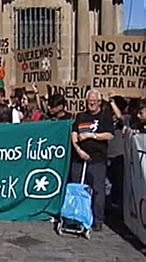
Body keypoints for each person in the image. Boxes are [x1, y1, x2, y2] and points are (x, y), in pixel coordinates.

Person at [71, 89, 114, 232]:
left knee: (97, 190)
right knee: (77, 188)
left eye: (94, 102)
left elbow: (109, 135)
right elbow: (74, 133)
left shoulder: (105, 116)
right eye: (89, 102)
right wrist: (78, 149)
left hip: (97, 159)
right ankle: (76, 216)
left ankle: (97, 219)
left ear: (99, 102)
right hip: (80, 158)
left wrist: (91, 135)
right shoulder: (81, 116)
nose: (91, 104)